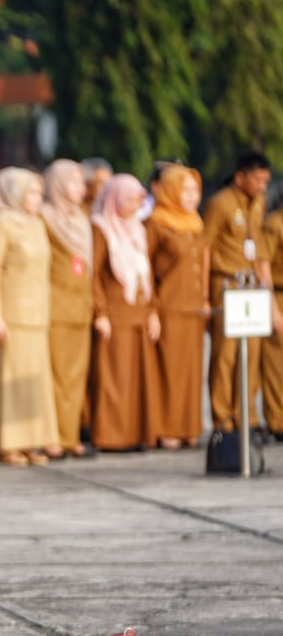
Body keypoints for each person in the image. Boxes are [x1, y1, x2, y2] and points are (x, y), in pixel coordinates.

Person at [0, 167, 60, 467]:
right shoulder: (1, 223)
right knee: (11, 380)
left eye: (38, 193)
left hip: (36, 315)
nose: (36, 199)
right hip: (13, 314)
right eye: (30, 192)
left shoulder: (37, 223)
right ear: (14, 193)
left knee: (34, 382)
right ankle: (10, 445)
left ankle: (32, 441)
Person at [90, 174, 161, 450]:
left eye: (137, 200)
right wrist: (100, 312)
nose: (134, 205)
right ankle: (111, 436)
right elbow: (93, 275)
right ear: (115, 199)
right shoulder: (101, 229)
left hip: (139, 314)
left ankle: (136, 434)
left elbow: (147, 273)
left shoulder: (137, 229)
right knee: (114, 378)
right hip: (115, 315)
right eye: (129, 200)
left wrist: (153, 310)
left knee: (136, 379)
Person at [205, 150, 272, 433]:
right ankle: (222, 418)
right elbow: (205, 248)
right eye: (257, 179)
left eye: (265, 181)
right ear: (240, 176)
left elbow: (257, 247)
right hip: (226, 284)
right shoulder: (220, 203)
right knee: (226, 355)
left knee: (252, 353)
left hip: (251, 287)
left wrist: (264, 281)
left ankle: (246, 414)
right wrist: (203, 295)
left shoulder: (259, 203)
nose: (262, 186)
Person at [147, 164, 209, 448]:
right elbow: (145, 269)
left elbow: (203, 264)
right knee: (169, 372)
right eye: (185, 190)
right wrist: (151, 310)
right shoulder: (157, 223)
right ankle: (168, 428)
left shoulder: (195, 222)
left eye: (195, 190)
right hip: (169, 307)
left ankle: (189, 427)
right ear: (170, 190)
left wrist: (205, 299)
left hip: (193, 308)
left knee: (192, 371)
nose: (192, 196)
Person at [42, 159, 96, 459]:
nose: (81, 189)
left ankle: (70, 434)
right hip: (55, 308)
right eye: (74, 182)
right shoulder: (45, 218)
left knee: (76, 377)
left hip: (80, 307)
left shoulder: (81, 219)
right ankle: (52, 437)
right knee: (55, 376)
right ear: (59, 185)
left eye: (81, 182)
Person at [260, 192, 283, 440]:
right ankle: (277, 421)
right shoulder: (275, 223)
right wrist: (273, 308)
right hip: (278, 294)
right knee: (276, 364)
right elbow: (262, 264)